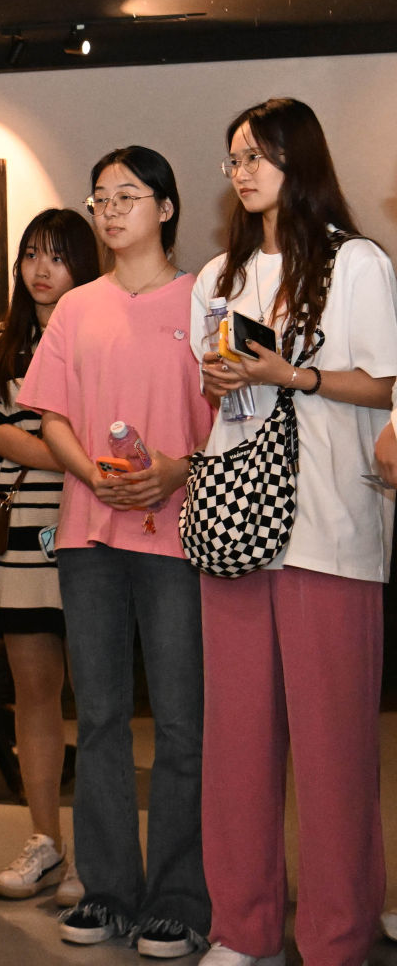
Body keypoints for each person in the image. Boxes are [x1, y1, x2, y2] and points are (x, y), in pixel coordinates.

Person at [189, 97, 397, 966]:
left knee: (334, 751)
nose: (242, 171)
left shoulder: (358, 263)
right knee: (236, 744)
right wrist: (225, 378)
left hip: (331, 526)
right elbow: (215, 395)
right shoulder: (216, 276)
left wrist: (293, 375)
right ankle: (242, 929)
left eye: (258, 155)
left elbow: (384, 385)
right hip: (237, 523)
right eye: (234, 157)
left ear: (297, 159)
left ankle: (337, 936)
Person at [19, 146, 213, 958]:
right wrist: (89, 471)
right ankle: (106, 891)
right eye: (100, 198)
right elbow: (51, 415)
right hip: (88, 534)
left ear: (165, 208)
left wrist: (176, 469)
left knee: (181, 721)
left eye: (127, 196)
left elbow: (233, 420)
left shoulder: (204, 299)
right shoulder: (76, 306)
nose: (109, 211)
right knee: (97, 716)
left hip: (177, 533)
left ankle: (180, 899)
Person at [0, 208, 99, 904]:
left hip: (96, 524)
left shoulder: (99, 332)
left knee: (100, 700)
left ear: (84, 265)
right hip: (20, 535)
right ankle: (46, 840)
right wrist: (76, 459)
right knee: (35, 693)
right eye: (31, 255)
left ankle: (97, 854)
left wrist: (82, 467)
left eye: (58, 256)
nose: (41, 270)